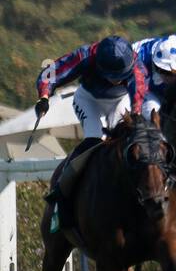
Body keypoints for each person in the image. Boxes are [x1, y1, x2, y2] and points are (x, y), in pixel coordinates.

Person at [37, 35, 147, 207]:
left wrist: (137, 113)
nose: (118, 79)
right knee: (94, 139)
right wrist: (44, 97)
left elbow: (138, 91)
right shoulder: (85, 56)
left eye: (122, 75)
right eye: (113, 75)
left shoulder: (136, 65)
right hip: (88, 100)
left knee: (123, 140)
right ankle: (62, 187)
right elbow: (51, 73)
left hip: (120, 101)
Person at [133, 34, 176, 120]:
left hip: (174, 93)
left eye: (171, 73)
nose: (166, 77)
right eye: (161, 70)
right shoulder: (140, 56)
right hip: (148, 90)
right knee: (152, 111)